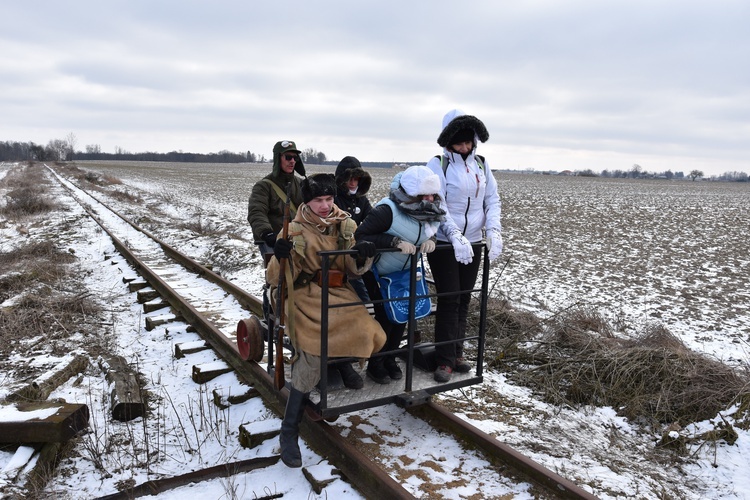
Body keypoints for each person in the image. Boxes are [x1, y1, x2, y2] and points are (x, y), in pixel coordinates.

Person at [266, 173, 386, 468]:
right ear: (307, 201)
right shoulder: (293, 230)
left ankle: (341, 364)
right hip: (302, 293)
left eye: (329, 199)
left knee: (367, 329)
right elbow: (274, 278)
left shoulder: (345, 225)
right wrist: (279, 256)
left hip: (337, 290)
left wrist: (362, 254)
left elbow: (352, 269)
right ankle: (289, 431)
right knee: (311, 351)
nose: (325, 205)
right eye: (318, 200)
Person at [426, 109, 503, 383]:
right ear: (448, 142)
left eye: (468, 142)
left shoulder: (482, 164)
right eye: (458, 143)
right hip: (446, 244)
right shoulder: (438, 165)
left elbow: (492, 200)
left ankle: (457, 352)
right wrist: (455, 235)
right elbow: (438, 203)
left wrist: (493, 230)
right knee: (450, 298)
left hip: (473, 242)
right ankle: (444, 360)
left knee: (465, 298)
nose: (464, 147)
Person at [354, 166, 445, 384]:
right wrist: (393, 243)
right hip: (379, 274)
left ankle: (390, 358)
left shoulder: (428, 211)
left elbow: (431, 231)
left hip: (404, 273)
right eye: (426, 195)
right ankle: (376, 363)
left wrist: (431, 241)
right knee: (386, 317)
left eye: (433, 194)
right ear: (413, 193)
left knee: (401, 316)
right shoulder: (387, 210)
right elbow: (361, 235)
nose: (431, 198)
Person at [247, 140, 305, 264]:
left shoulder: (301, 184)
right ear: (278, 159)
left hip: (299, 238)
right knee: (277, 274)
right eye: (288, 157)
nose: (292, 161)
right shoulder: (263, 186)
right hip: (274, 241)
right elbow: (256, 212)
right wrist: (267, 233)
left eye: (295, 158)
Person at [333, 156, 373, 303]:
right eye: (349, 179)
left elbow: (372, 219)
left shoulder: (361, 199)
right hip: (335, 254)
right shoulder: (332, 198)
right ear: (341, 179)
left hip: (354, 252)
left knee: (365, 297)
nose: (353, 183)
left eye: (356, 179)